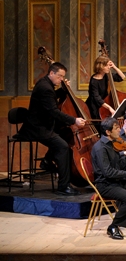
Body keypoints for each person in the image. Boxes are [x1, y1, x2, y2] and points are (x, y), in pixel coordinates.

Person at [20, 62, 87, 196]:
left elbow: (51, 98)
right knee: (63, 147)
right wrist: (74, 120)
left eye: (63, 77)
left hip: (43, 125)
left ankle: (47, 161)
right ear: (51, 73)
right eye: (60, 76)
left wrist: (63, 89)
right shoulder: (45, 87)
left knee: (64, 134)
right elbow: (54, 111)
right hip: (37, 128)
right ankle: (64, 186)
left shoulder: (46, 84)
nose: (61, 79)